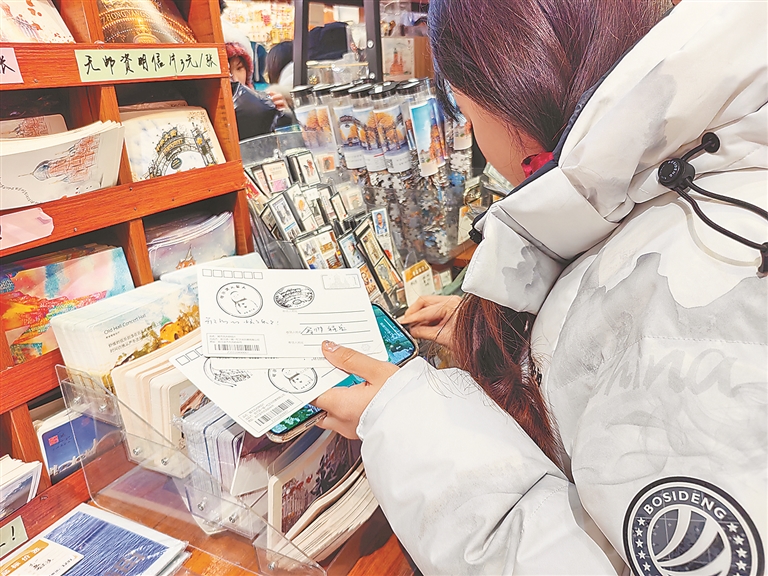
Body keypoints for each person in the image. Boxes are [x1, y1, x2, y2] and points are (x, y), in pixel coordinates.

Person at [313, 1, 767, 574]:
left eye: (466, 113)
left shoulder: (697, 295)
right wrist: (520, 347)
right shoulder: (686, 174)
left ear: (516, 93)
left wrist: (403, 423)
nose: (475, 140)